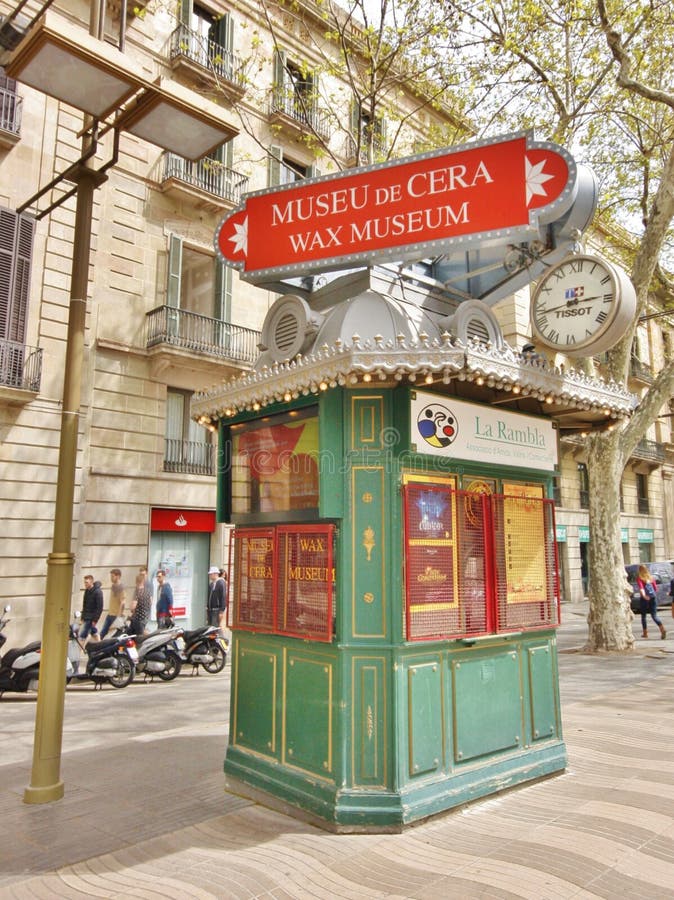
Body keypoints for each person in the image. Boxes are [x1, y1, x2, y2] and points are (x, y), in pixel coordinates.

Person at [636, 564, 666, 639]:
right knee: (654, 615)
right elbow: (655, 589)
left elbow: (641, 588)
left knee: (643, 616)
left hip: (645, 599)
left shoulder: (640, 578)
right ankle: (662, 629)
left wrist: (644, 596)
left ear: (639, 570)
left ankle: (645, 633)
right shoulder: (651, 578)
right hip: (653, 597)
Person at [99, 568, 127, 639]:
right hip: (110, 614)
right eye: (111, 576)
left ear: (118, 576)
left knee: (114, 635)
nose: (111, 578)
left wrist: (119, 616)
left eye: (112, 576)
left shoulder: (121, 587)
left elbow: (123, 602)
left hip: (115, 616)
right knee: (103, 632)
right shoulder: (113, 586)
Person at [80, 574, 103, 642]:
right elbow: (84, 605)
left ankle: (80, 651)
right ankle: (100, 644)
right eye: (84, 582)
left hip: (91, 618)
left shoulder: (98, 592)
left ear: (91, 582)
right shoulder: (86, 591)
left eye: (86, 582)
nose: (85, 584)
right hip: (86, 616)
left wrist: (95, 620)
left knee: (83, 636)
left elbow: (99, 608)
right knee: (94, 633)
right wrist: (82, 617)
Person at [128, 571, 152, 636]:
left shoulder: (137, 592)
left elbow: (133, 606)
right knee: (133, 633)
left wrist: (131, 608)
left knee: (139, 636)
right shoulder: (147, 591)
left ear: (136, 582)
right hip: (145, 617)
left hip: (138, 618)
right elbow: (151, 602)